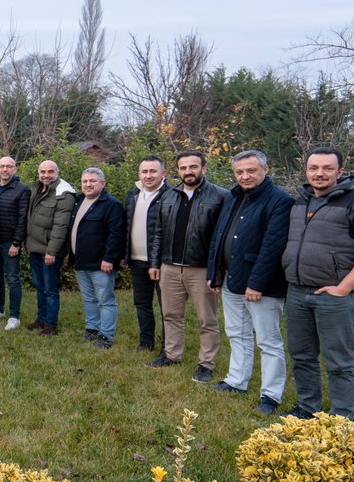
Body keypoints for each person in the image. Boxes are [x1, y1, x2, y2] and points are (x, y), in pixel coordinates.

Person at [281, 147, 354, 421]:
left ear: (340, 172)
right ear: (306, 171)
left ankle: (342, 416)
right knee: (302, 356)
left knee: (338, 361)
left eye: (327, 168)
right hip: (297, 293)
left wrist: (343, 289)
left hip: (333, 298)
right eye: (314, 168)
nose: (319, 173)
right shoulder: (300, 202)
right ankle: (307, 407)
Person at [206, 150, 293, 409]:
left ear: (265, 170)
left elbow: (273, 247)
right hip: (232, 278)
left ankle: (271, 395)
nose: (245, 176)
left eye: (251, 170)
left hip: (261, 286)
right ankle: (236, 380)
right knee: (237, 333)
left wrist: (257, 284)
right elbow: (219, 237)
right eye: (240, 171)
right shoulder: (233, 197)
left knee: (268, 340)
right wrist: (215, 273)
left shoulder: (280, 200)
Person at [147, 152, 228, 375]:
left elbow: (222, 238)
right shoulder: (169, 196)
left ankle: (206, 364)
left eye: (193, 166)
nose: (188, 171)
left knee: (206, 320)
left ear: (204, 168)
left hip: (200, 269)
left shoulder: (221, 197)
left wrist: (216, 270)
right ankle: (172, 355)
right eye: (183, 168)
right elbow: (158, 232)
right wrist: (155, 263)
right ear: (178, 171)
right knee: (171, 315)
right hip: (170, 268)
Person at [68, 168, 126, 349]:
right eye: (85, 181)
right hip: (81, 261)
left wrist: (109, 258)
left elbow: (116, 234)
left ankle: (106, 335)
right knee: (89, 299)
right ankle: (92, 328)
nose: (88, 184)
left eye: (93, 181)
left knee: (105, 300)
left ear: (103, 183)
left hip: (101, 263)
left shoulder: (111, 204)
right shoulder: (79, 201)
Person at [25, 160, 76, 336]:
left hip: (49, 251)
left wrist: (52, 251)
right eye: (42, 172)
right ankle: (41, 319)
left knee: (50, 289)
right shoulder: (37, 189)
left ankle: (50, 324)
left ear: (57, 172)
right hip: (35, 248)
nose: (46, 175)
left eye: (50, 172)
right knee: (40, 286)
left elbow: (61, 227)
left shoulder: (64, 193)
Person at [123, 157, 167, 352]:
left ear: (163, 173)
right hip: (136, 260)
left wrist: (157, 261)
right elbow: (127, 226)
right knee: (142, 304)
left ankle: (169, 346)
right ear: (139, 174)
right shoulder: (132, 194)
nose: (148, 175)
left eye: (153, 171)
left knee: (167, 307)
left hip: (161, 262)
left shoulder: (171, 195)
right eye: (144, 171)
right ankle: (146, 342)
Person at [0, 156, 30, 331]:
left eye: (9, 166)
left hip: (10, 242)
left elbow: (22, 219)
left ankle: (14, 316)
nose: (5, 169)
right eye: (2, 166)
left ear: (15, 169)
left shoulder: (22, 190)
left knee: (13, 278)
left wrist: (16, 243)